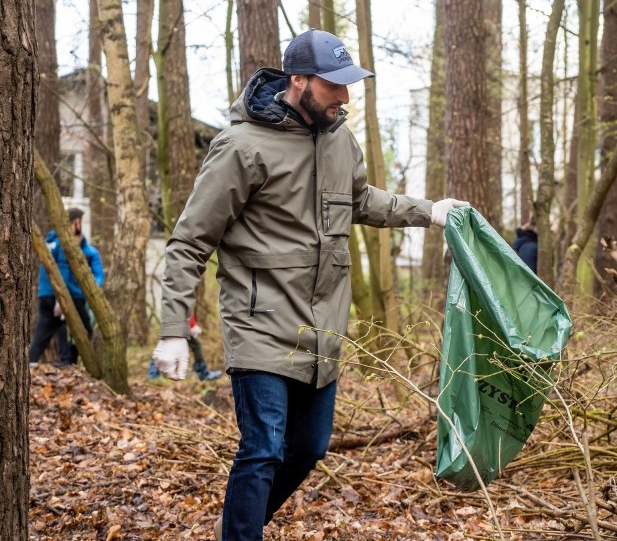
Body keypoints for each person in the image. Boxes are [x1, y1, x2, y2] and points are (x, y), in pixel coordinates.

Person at [150, 28, 468, 540]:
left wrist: (429, 213)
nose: (345, 97)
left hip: (323, 329)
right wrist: (172, 329)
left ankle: (240, 525)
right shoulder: (241, 146)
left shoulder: (341, 138)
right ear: (297, 80)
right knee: (263, 448)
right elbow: (189, 241)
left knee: (310, 449)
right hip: (259, 324)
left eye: (348, 85)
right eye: (333, 86)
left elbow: (362, 201)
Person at [29, 207, 104, 367]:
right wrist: (60, 299)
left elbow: (98, 275)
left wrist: (93, 289)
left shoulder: (53, 242)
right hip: (67, 297)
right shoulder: (63, 244)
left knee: (44, 335)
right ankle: (68, 363)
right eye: (79, 222)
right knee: (84, 329)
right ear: (76, 222)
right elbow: (61, 270)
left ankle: (35, 362)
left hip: (48, 295)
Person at [147, 315, 222, 381]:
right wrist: (190, 326)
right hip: (178, 324)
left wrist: (191, 325)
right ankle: (153, 373)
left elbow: (187, 309)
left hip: (181, 324)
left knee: (196, 345)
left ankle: (203, 371)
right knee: (166, 344)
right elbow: (182, 307)